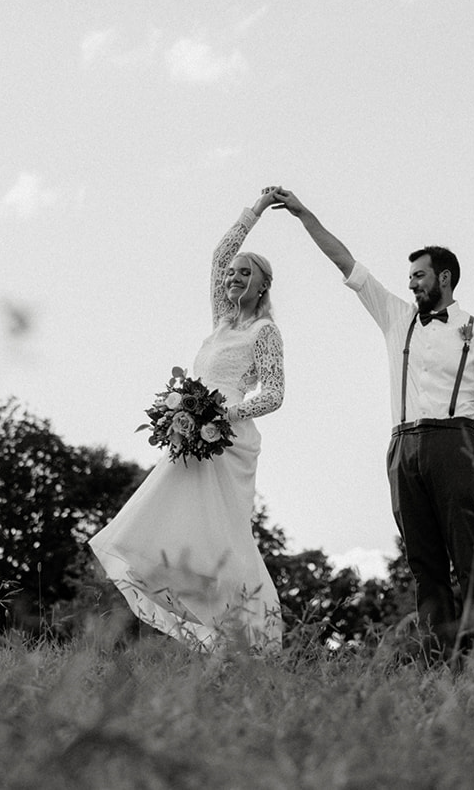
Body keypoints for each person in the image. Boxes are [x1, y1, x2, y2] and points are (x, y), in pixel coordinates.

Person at [267, 187, 474, 649]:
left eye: (419, 276)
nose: (410, 284)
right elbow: (345, 262)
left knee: (469, 553)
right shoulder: (396, 317)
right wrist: (305, 214)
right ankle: (437, 657)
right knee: (422, 561)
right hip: (402, 448)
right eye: (409, 277)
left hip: (455, 443)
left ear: (444, 278)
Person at [89, 191, 285, 650]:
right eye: (233, 274)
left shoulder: (265, 331)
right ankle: (207, 625)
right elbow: (220, 255)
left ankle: (250, 631)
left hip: (228, 441)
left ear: (262, 287)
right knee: (165, 519)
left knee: (223, 535)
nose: (234, 277)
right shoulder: (221, 322)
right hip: (192, 437)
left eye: (245, 273)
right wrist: (253, 211)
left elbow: (274, 394)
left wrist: (223, 413)